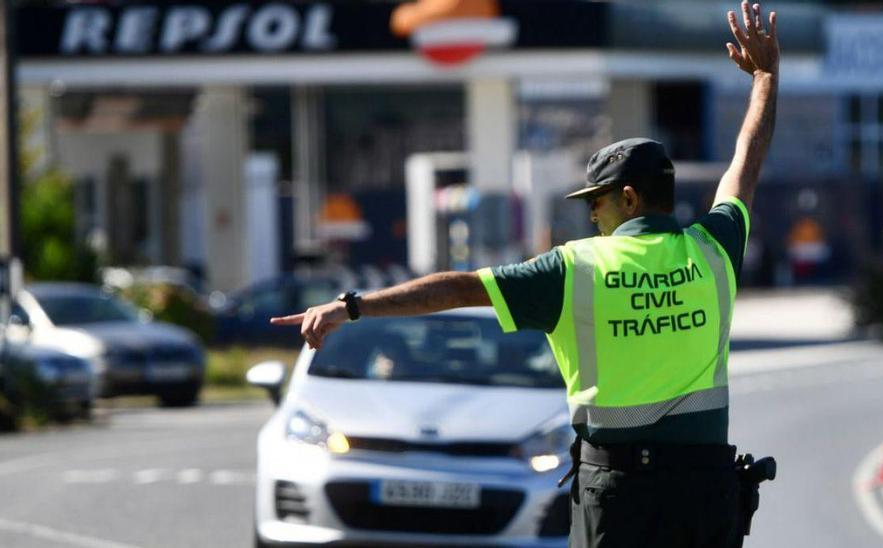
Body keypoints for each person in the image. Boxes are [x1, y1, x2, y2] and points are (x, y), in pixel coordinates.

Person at [271, 2, 778, 545]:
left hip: (619, 493)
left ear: (628, 198)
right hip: (703, 495)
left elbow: (460, 287)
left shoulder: (574, 268)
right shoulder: (713, 250)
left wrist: (353, 306)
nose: (591, 214)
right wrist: (766, 79)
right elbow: (744, 165)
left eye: (598, 201)